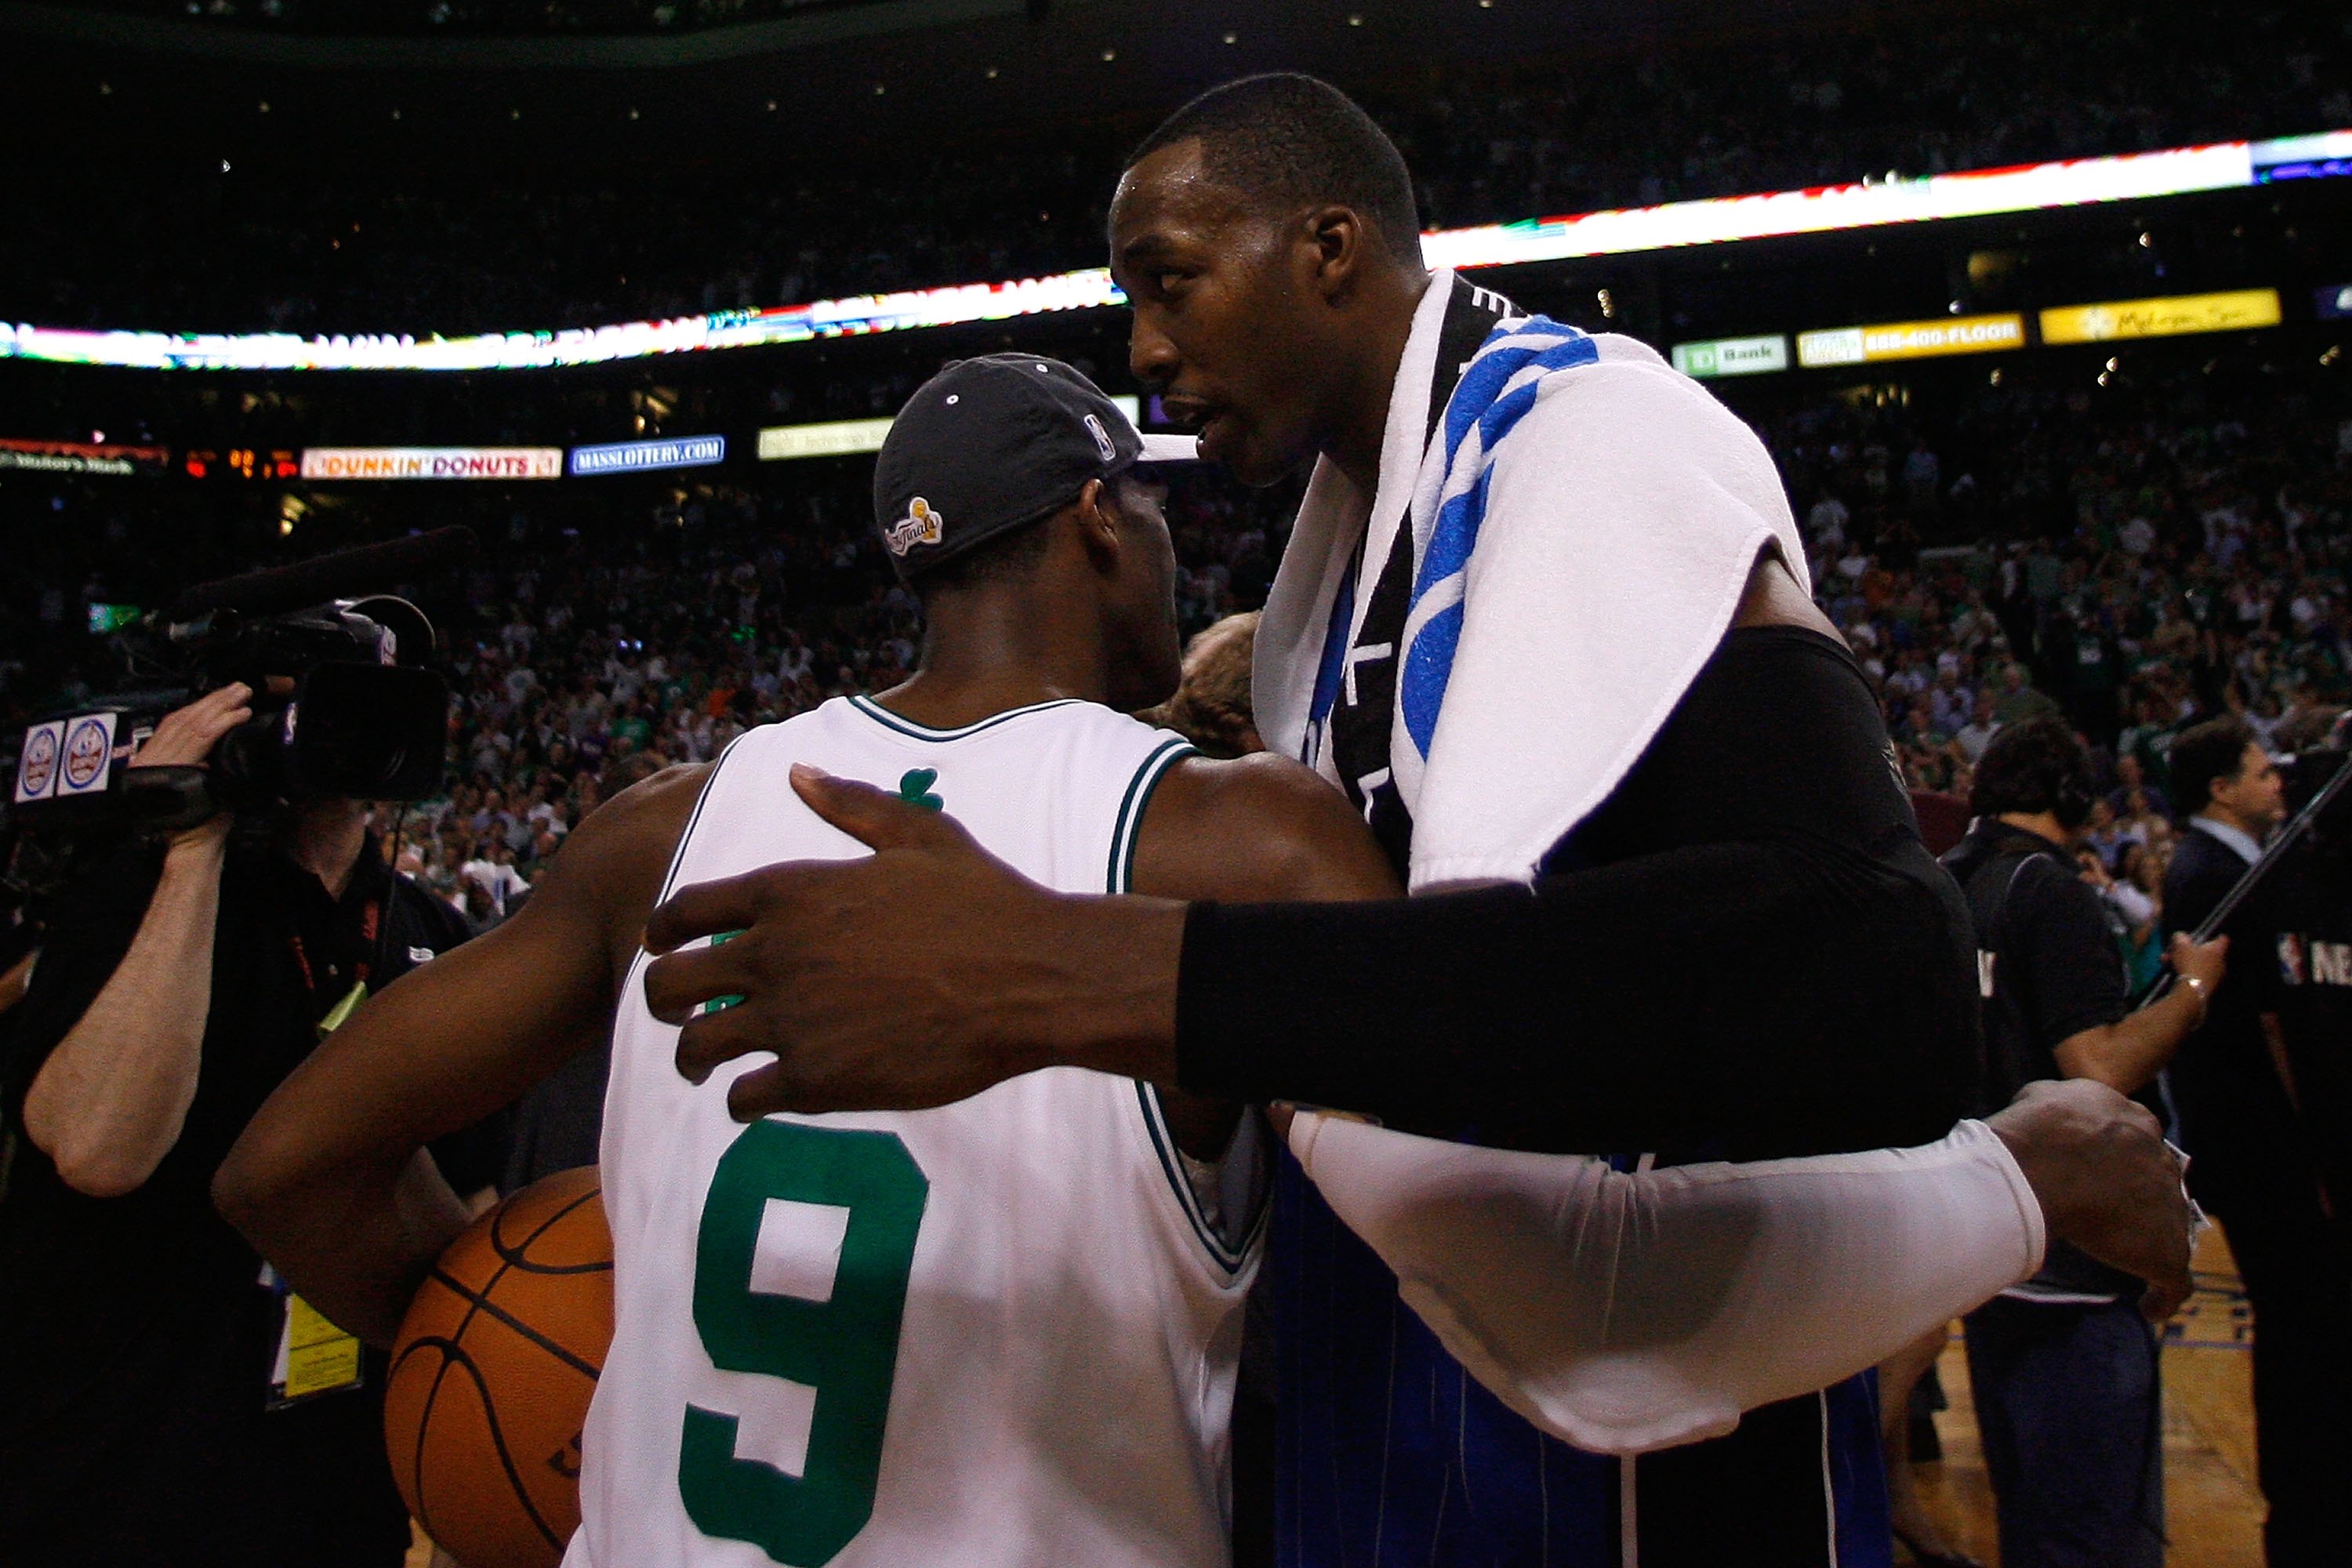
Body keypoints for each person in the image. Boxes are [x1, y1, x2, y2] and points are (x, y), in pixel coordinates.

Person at [630, 75, 2194, 1566]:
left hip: (1641, 1475)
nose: (1145, 348)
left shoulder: (1582, 432)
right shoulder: (1324, 582)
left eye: (1169, 281)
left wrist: (1062, 974)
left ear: (1330, 248)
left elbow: (1872, 964)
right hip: (1408, 1430)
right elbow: (1412, 1035)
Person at [245, 358, 2098, 1568]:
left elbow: (283, 1163)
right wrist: (1999, 1182)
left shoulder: (666, 821)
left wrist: (484, 1308)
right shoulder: (1246, 833)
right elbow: (1544, 1258)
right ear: (1095, 525)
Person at [0, 683, 481, 1568]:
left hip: (330, 1495)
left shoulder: (433, 933)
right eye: (287, 704)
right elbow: (100, 1148)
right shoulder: (132, 897)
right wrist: (188, 850)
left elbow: (468, 1243)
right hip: (110, 1485)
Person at [1942, 719, 2227, 1568]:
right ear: (2071, 795)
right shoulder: (2052, 889)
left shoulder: (1950, 883)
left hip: (1985, 1249)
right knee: (2094, 1535)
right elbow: (2092, 1069)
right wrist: (2193, 988)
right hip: (2080, 1260)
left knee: (2027, 1517)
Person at [2162, 715, 2350, 1566]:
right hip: (2265, 1143)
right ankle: (2305, 1509)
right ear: (2220, 788)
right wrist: (2315, 1145)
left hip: (2257, 1141)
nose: (2278, 781)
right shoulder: (2215, 873)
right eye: (2259, 769)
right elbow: (2270, 1022)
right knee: (2303, 1330)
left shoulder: (2239, 863)